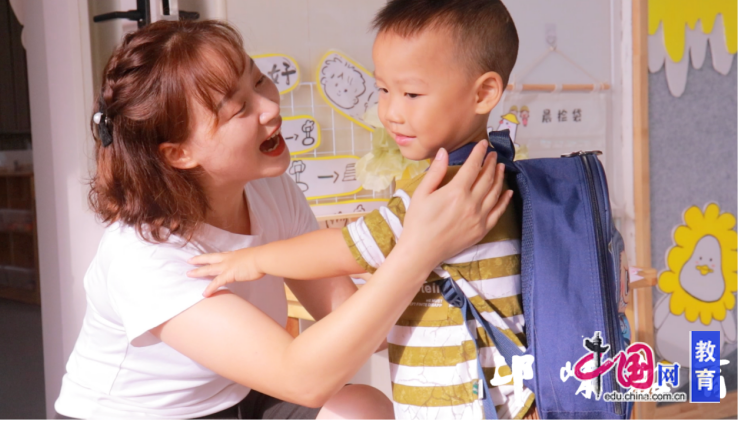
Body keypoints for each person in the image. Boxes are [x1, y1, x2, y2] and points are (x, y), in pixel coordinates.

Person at [53, 19, 512, 420]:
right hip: (140, 415)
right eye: (239, 108)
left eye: (259, 81)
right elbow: (302, 379)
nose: (270, 108)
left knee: (362, 410)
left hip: (245, 398)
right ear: (179, 153)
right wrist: (418, 250)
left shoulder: (269, 189)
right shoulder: (143, 257)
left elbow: (355, 322)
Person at [190, 0, 540, 419]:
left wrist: (253, 259)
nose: (390, 112)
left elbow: (344, 248)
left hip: (457, 401)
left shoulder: (439, 190)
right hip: (508, 393)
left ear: (483, 93)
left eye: (411, 94)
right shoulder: (501, 173)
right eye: (383, 90)